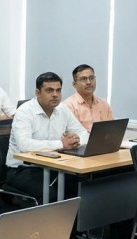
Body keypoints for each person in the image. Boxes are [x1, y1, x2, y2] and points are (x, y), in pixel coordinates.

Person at [5, 72, 88, 200]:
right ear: (38, 92)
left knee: (80, 186)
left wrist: (76, 141)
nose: (55, 94)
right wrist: (61, 144)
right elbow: (24, 145)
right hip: (22, 169)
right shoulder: (24, 112)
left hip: (54, 166)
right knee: (51, 194)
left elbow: (83, 133)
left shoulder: (62, 109)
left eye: (58, 90)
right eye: (49, 90)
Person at [63, 64, 113, 132]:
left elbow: (111, 131)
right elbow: (70, 134)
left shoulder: (104, 105)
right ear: (74, 84)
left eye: (91, 78)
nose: (89, 82)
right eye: (83, 79)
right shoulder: (67, 107)